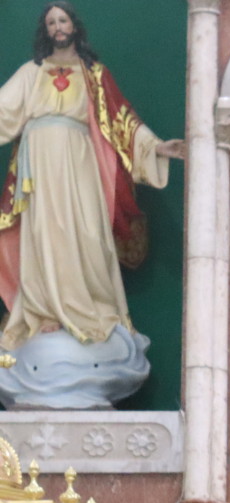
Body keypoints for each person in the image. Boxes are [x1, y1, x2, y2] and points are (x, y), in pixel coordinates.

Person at [0, 3, 184, 402]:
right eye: (50, 22)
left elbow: (123, 122)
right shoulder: (31, 73)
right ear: (44, 30)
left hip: (80, 166)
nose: (57, 27)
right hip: (39, 170)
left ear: (74, 26)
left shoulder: (94, 76)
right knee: (43, 235)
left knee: (84, 235)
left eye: (62, 20)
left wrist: (156, 147)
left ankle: (87, 309)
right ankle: (45, 311)